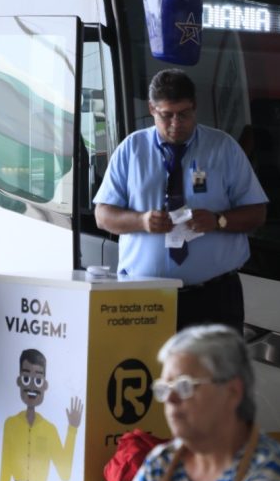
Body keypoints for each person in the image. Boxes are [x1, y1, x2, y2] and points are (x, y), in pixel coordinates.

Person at [93, 69, 268, 331]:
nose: (176, 123)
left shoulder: (223, 147)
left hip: (213, 297)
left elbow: (257, 213)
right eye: (167, 115)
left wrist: (218, 220)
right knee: (149, 373)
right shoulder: (131, 150)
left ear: (195, 107)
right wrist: (141, 220)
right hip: (144, 298)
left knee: (217, 373)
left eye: (184, 114)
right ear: (152, 109)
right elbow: (103, 215)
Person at [123, 325, 280, 481]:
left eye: (185, 386)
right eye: (164, 389)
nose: (171, 399)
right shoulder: (161, 464)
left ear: (232, 392)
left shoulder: (273, 477)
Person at [0, 348, 84, 481]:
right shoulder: (11, 424)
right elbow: (5, 468)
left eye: (37, 380)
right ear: (19, 381)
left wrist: (72, 429)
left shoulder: (50, 430)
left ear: (44, 385)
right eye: (26, 377)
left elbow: (64, 474)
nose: (31, 386)